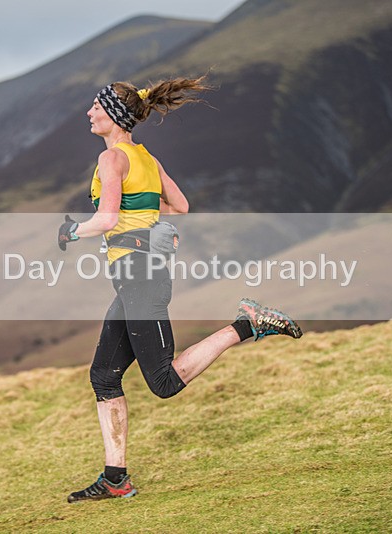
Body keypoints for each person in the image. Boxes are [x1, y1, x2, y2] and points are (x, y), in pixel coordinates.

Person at [57, 76, 303, 503]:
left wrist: (71, 231)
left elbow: (108, 219)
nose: (89, 112)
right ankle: (116, 479)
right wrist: (154, 225)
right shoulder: (144, 157)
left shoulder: (112, 160)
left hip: (140, 276)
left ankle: (247, 325)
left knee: (164, 381)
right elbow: (180, 206)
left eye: (96, 106)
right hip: (136, 275)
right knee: (104, 375)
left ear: (113, 115)